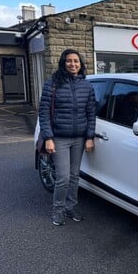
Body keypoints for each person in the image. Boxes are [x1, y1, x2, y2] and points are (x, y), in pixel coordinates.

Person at [38, 49, 96, 226]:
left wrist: (89, 137)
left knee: (74, 175)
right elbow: (44, 113)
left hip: (79, 138)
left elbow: (91, 112)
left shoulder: (86, 85)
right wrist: (48, 137)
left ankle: (71, 206)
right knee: (63, 177)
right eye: (69, 61)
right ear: (63, 63)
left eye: (76, 61)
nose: (73, 64)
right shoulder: (52, 84)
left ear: (81, 64)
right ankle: (58, 209)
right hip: (60, 138)